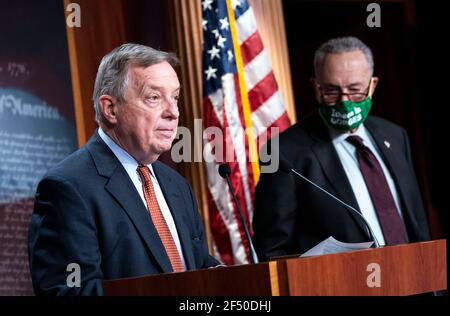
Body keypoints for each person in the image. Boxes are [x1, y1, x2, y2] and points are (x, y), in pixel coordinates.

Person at [28, 43, 220, 295]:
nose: (173, 112)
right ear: (110, 109)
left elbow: (198, 266)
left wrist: (229, 278)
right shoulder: (68, 188)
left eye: (174, 97)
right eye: (154, 97)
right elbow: (70, 291)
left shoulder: (177, 185)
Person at [253, 36, 430, 261]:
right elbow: (271, 251)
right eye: (331, 91)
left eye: (355, 90)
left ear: (372, 85)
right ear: (316, 88)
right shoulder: (283, 152)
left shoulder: (395, 136)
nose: (345, 102)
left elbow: (417, 225)